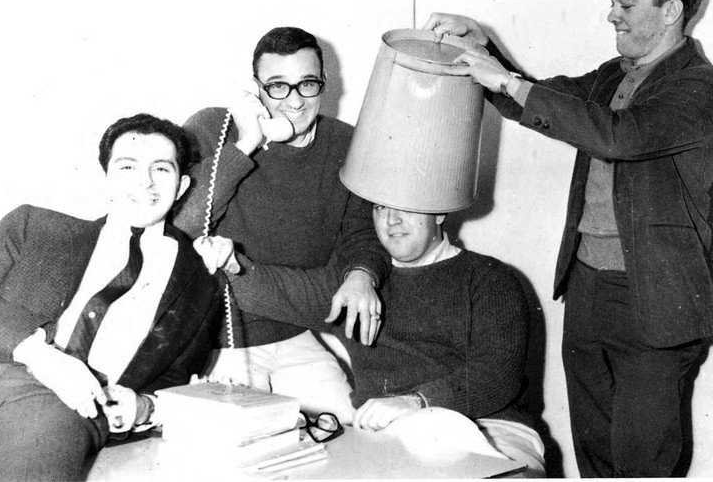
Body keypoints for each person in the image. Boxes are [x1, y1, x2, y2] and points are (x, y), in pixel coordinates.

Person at [423, 0, 713, 477]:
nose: (611, 14)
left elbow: (620, 136)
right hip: (588, 286)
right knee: (594, 454)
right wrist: (482, 47)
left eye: (625, 3)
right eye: (612, 2)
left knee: (642, 463)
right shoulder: (614, 75)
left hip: (656, 298)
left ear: (671, 10)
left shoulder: (703, 86)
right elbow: (541, 100)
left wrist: (506, 80)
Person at [0, 114, 226, 481]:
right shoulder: (38, 228)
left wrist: (144, 407)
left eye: (161, 168)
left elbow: (176, 376)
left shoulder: (200, 283)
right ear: (106, 178)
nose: (145, 181)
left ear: (182, 184)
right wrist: (39, 355)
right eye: (128, 167)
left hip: (59, 404)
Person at [196, 203, 546, 476]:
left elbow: (498, 376)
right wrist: (231, 264)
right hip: (392, 437)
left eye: (406, 207)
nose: (392, 220)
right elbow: (281, 291)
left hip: (495, 428)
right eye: (380, 208)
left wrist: (417, 402)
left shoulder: (489, 278)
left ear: (440, 212)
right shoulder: (355, 286)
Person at [173, 26, 389, 420]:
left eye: (307, 83)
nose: (294, 100)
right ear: (254, 88)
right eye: (277, 86)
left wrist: (361, 273)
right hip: (220, 342)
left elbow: (362, 231)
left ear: (324, 83)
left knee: (350, 429)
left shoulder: (348, 144)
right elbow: (182, 226)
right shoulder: (212, 128)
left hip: (294, 333)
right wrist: (246, 143)